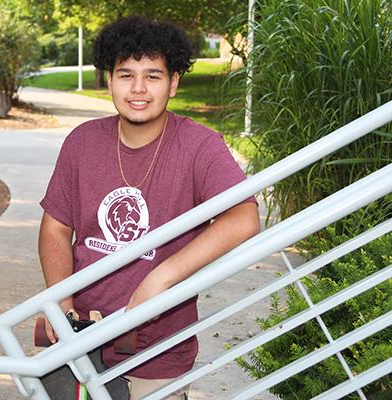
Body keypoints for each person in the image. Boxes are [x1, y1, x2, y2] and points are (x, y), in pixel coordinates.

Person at [38, 16, 260, 400]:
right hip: (77, 343)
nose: (138, 89)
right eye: (126, 75)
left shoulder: (199, 145)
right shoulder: (82, 141)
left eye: (153, 76)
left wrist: (162, 278)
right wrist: (62, 301)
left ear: (173, 83)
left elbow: (244, 217)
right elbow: (55, 227)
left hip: (157, 352)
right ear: (108, 80)